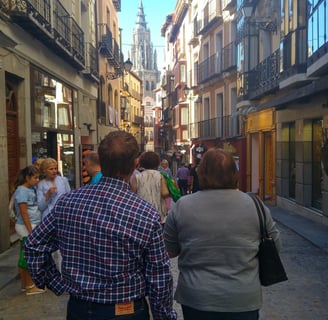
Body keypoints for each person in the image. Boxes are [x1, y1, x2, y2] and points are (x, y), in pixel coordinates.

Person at [25, 131, 177, 320]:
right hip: (127, 310)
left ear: (101, 162)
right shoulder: (145, 213)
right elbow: (159, 276)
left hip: (80, 308)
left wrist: (56, 283)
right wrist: (164, 316)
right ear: (135, 164)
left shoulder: (67, 203)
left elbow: (33, 245)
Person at [164, 148, 281, 320]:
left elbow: (169, 250)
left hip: (197, 297)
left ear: (201, 173)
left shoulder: (183, 206)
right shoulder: (256, 206)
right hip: (242, 297)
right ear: (234, 174)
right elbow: (275, 246)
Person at [13, 165, 45, 295]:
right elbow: (23, 212)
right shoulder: (22, 191)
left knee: (25, 255)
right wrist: (31, 230)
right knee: (28, 257)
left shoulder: (31, 189)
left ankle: (25, 285)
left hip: (31, 226)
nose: (37, 180)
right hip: (26, 227)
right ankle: (30, 286)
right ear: (27, 178)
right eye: (35, 177)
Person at [131, 151, 170, 224]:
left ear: (142, 162)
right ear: (157, 163)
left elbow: (132, 194)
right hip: (158, 214)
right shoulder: (160, 176)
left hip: (142, 214)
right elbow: (165, 193)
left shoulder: (137, 177)